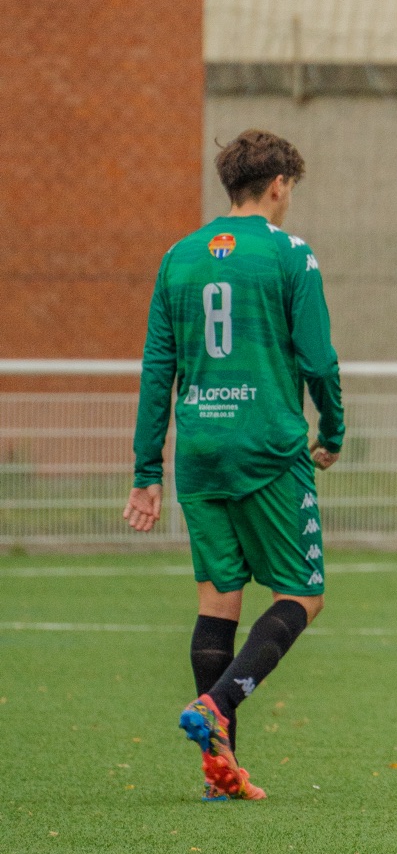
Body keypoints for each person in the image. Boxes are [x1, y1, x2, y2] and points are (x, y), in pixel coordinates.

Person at [123, 129, 344, 800]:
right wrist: (333, 429)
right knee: (302, 595)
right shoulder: (290, 253)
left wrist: (146, 471)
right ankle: (216, 705)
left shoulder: (179, 256)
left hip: (199, 449)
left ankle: (222, 774)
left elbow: (157, 368)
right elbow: (317, 358)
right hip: (266, 445)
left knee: (218, 599)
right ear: (279, 185)